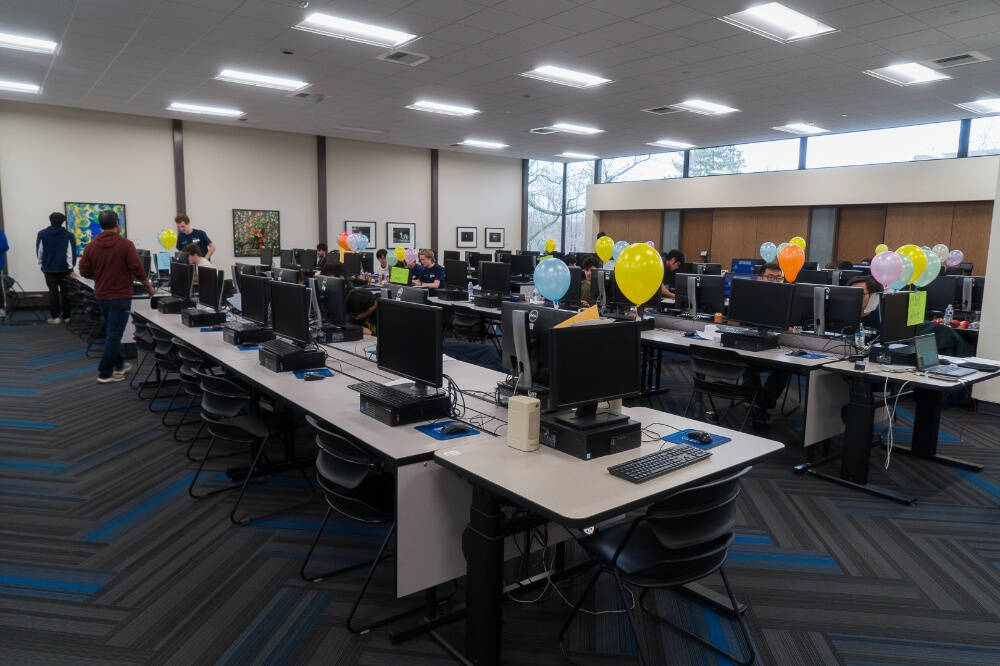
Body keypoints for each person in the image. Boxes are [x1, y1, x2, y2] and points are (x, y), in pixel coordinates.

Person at [78, 210, 154, 384]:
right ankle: (105, 373)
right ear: (117, 224)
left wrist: (100, 277)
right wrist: (148, 287)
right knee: (114, 334)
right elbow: (137, 269)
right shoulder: (125, 245)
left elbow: (83, 270)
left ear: (100, 225)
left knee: (112, 332)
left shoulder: (91, 246)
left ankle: (119, 365)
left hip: (102, 295)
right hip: (120, 296)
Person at [748, 262, 789, 425]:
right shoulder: (748, 295)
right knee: (745, 363)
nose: (774, 281)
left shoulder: (787, 298)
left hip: (777, 346)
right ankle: (759, 404)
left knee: (785, 367)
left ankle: (761, 403)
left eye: (778, 278)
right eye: (770, 277)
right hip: (751, 345)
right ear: (760, 278)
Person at [36, 212, 78, 324]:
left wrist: (41, 264)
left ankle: (55, 317)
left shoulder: (42, 234)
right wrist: (71, 268)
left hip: (48, 269)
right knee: (66, 292)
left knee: (53, 292)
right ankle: (67, 316)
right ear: (63, 222)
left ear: (50, 220)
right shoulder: (69, 235)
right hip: (64, 269)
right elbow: (70, 253)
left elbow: (40, 251)